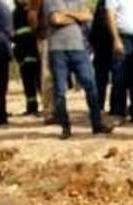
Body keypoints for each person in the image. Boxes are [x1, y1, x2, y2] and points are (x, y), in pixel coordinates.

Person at [46, 0, 110, 137]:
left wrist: (67, 14)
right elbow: (56, 19)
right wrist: (77, 17)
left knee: (90, 84)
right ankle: (65, 127)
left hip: (79, 48)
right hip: (58, 50)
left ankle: (97, 123)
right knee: (60, 90)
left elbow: (88, 16)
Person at [106, 0, 133, 124]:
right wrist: (116, 38)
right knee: (119, 76)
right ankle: (118, 113)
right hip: (122, 37)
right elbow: (110, 15)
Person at [28, 0, 56, 123]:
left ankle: (57, 109)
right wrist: (38, 33)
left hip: (59, 35)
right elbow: (32, 15)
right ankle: (50, 111)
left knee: (56, 75)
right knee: (48, 75)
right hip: (46, 37)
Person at [13, 0, 41, 114]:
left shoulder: (34, 10)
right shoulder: (15, 13)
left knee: (39, 80)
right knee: (27, 81)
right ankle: (31, 107)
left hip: (35, 51)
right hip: (22, 53)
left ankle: (49, 108)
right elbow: (14, 35)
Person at [90, 0, 113, 112]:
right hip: (101, 42)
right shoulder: (102, 3)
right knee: (100, 77)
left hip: (115, 40)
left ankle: (117, 107)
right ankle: (98, 105)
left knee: (119, 76)